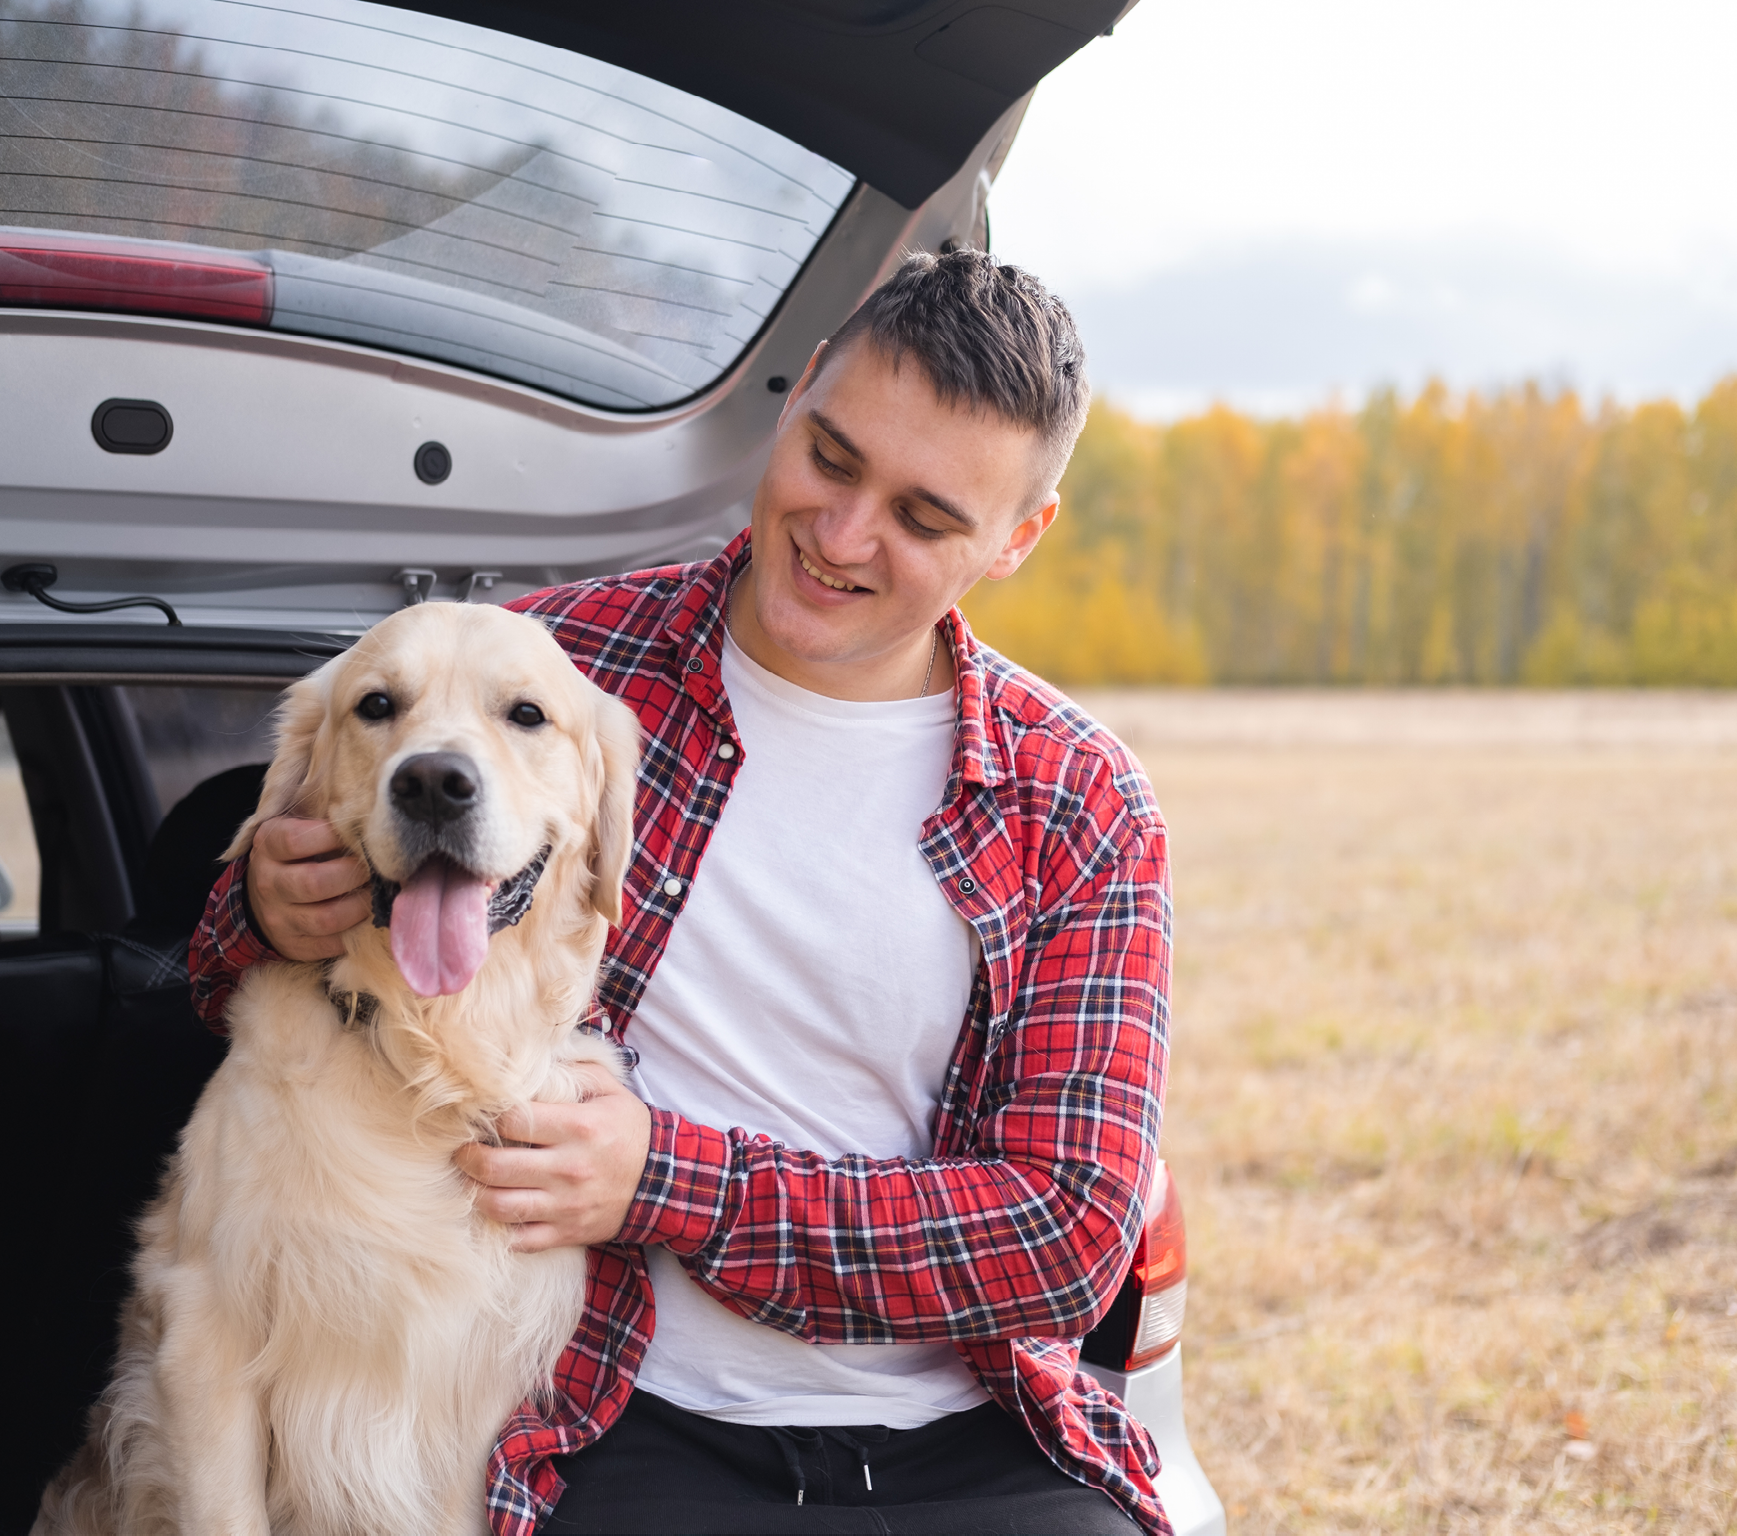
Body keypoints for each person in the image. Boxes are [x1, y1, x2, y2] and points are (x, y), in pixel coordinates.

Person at [188, 249, 1173, 1536]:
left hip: (974, 1437)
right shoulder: (545, 675)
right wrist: (267, 904)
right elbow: (228, 972)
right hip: (615, 1417)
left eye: (923, 519)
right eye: (829, 457)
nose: (840, 536)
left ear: (1016, 539)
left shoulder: (1078, 801)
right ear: (797, 387)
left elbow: (1069, 1233)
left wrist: (669, 1183)